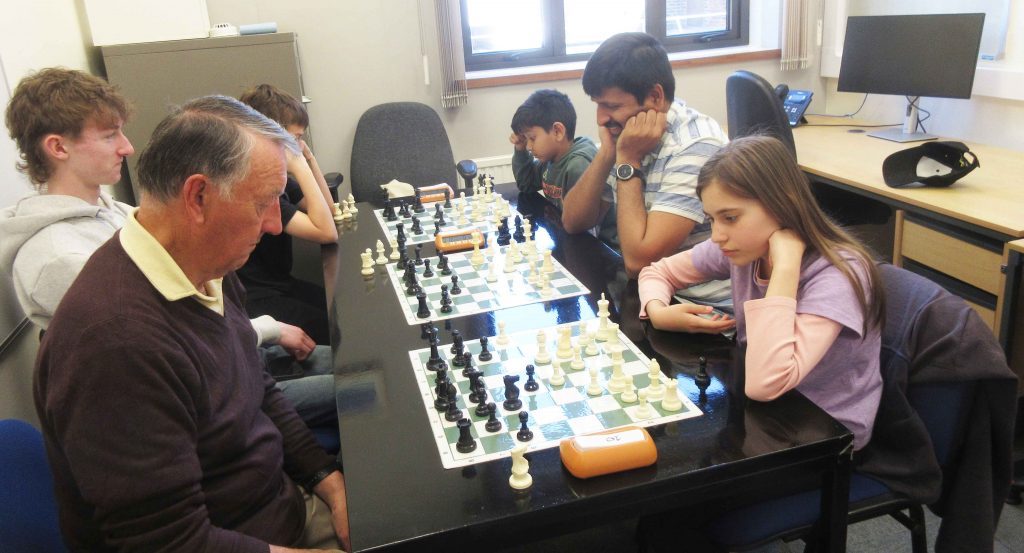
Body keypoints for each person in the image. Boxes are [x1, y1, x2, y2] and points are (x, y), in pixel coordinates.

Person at [34, 95, 349, 552]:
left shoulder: (207, 268)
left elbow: (260, 391)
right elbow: (169, 542)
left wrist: (329, 481)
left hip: (280, 507)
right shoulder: (115, 343)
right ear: (198, 197)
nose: (273, 225)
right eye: (263, 203)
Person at [0, 68, 336, 429]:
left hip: (232, 356)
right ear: (58, 147)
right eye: (110, 135)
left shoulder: (117, 213)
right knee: (364, 383)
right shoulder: (57, 258)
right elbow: (176, 342)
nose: (127, 147)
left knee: (357, 362)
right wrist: (268, 329)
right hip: (206, 391)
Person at [636, 135, 884, 551]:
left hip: (823, 440)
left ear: (782, 205)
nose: (717, 235)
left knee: (672, 515)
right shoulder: (745, 246)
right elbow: (656, 272)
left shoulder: (837, 274)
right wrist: (659, 311)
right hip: (764, 418)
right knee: (663, 500)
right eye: (711, 218)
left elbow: (767, 382)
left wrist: (785, 267)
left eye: (730, 217)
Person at [561, 32, 731, 313]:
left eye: (612, 106)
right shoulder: (628, 136)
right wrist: (607, 153)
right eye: (597, 105)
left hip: (703, 310)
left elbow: (639, 263)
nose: (601, 119)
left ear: (655, 97)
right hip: (653, 296)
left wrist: (628, 160)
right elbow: (573, 222)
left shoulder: (696, 145)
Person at [237, 84, 338, 346]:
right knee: (336, 329)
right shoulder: (257, 186)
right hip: (258, 301)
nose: (300, 145)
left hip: (281, 285)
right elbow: (327, 232)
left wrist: (308, 158)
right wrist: (298, 164)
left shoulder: (280, 180)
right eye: (295, 138)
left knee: (341, 307)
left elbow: (330, 211)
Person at [509, 89, 599, 216]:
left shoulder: (579, 165)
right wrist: (520, 148)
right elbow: (526, 185)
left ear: (557, 132)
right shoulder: (550, 159)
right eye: (526, 139)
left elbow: (584, 221)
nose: (528, 146)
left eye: (532, 138)